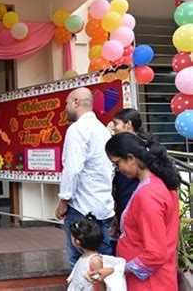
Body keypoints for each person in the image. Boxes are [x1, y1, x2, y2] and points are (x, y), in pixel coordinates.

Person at [90, 132, 180, 290]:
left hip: (150, 283)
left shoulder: (149, 194)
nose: (118, 169)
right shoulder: (159, 184)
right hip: (155, 278)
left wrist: (117, 270)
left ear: (131, 158)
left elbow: (155, 253)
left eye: (117, 164)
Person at [55, 87, 114, 267]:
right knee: (103, 261)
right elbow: (109, 168)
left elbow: (72, 169)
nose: (65, 108)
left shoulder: (77, 129)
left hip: (81, 208)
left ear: (76, 102)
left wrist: (64, 201)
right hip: (103, 206)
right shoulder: (102, 129)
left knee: (80, 262)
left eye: (66, 103)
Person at [109, 108, 149, 253]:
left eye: (116, 123)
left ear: (128, 124)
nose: (113, 127)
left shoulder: (142, 148)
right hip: (123, 198)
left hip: (132, 198)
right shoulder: (121, 146)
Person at [67, 213, 105, 291]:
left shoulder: (95, 261)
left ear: (77, 242)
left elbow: (101, 283)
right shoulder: (84, 256)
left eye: (72, 236)